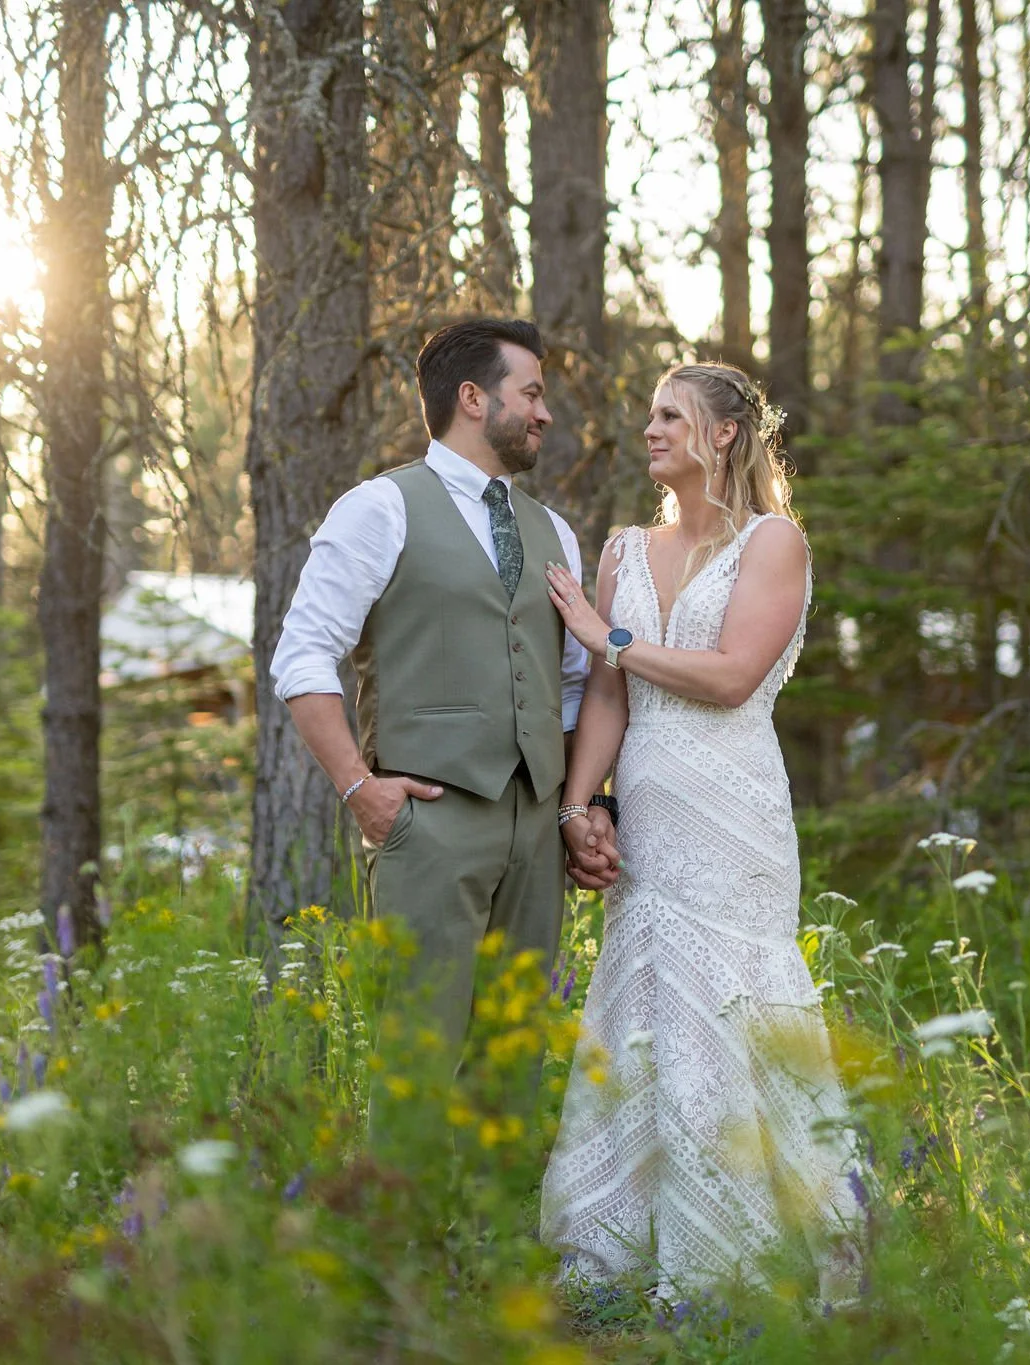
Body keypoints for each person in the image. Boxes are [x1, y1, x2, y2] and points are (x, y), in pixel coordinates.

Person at [537, 361, 861, 1300]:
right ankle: (624, 1249)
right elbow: (606, 696)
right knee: (646, 1002)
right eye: (649, 415)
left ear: (724, 434)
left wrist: (612, 638)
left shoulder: (774, 543)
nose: (651, 429)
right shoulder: (623, 551)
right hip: (649, 811)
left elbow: (729, 676)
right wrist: (576, 806)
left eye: (671, 415)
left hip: (734, 810)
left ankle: (748, 1253)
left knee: (730, 1000)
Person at [269, 318, 618, 1138]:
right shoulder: (379, 508)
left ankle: (490, 1252)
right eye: (530, 393)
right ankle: (404, 1254)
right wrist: (362, 790)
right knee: (419, 1048)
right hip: (427, 819)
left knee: (515, 1051)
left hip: (535, 828)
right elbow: (303, 657)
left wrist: (576, 808)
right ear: (473, 397)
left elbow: (570, 683)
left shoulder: (554, 532)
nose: (544, 414)